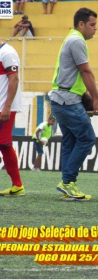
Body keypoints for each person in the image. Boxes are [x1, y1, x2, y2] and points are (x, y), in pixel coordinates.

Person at [48, 7, 98, 202]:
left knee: (70, 141)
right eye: (92, 24)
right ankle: (68, 182)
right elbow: (86, 72)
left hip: (59, 99)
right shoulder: (77, 40)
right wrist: (97, 98)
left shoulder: (70, 38)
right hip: (68, 101)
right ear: (81, 24)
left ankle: (67, 183)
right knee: (87, 138)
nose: (95, 29)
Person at [0, 39, 25, 196]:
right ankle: (17, 185)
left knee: (4, 143)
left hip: (4, 107)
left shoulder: (7, 52)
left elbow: (14, 79)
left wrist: (7, 106)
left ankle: (17, 185)